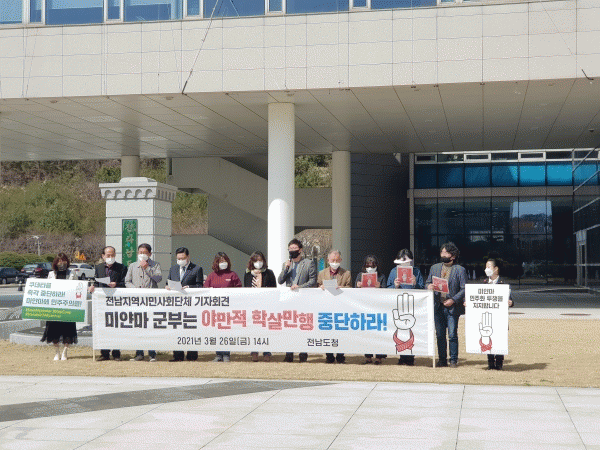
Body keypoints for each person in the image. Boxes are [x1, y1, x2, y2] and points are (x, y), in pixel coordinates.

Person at [426, 242, 467, 368]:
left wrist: (453, 300)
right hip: (438, 306)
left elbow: (464, 289)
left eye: (446, 253)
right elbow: (427, 282)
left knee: (452, 335)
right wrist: (429, 286)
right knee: (439, 335)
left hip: (452, 307)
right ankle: (442, 359)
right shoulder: (434, 268)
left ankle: (453, 360)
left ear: (453, 256)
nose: (442, 255)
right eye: (441, 252)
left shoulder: (460, 270)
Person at [278, 238, 317, 363]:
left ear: (300, 250)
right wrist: (286, 268)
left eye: (295, 249)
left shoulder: (309, 263)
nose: (292, 251)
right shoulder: (287, 264)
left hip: (303, 300)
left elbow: (313, 281)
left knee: (303, 327)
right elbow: (280, 280)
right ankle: (289, 354)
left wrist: (300, 287)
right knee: (289, 327)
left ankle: (303, 353)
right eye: (290, 249)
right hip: (289, 300)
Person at [89, 246, 128, 361]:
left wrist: (116, 284)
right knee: (103, 327)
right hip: (102, 302)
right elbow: (96, 282)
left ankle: (116, 353)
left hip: (116, 302)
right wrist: (92, 287)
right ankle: (104, 353)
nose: (110, 257)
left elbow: (125, 283)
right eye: (108, 255)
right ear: (103, 256)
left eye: (112, 255)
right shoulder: (99, 267)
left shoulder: (122, 267)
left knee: (116, 327)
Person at [387, 249, 425, 366]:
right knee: (400, 328)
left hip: (413, 304)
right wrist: (395, 286)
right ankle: (402, 356)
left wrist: (415, 284)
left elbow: (423, 289)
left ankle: (410, 357)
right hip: (398, 303)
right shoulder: (393, 271)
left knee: (412, 329)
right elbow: (387, 288)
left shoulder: (416, 272)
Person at [125, 243, 162, 362]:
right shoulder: (132, 266)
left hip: (151, 300)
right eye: (140, 252)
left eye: (145, 253)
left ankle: (152, 353)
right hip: (137, 301)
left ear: (150, 254)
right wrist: (135, 289)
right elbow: (127, 281)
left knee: (150, 326)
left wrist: (147, 268)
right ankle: (139, 353)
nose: (142, 254)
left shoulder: (155, 265)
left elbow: (158, 278)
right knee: (138, 326)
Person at [167, 247, 204, 362]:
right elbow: (168, 282)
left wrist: (189, 287)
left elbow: (200, 286)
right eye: (178, 258)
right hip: (176, 304)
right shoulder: (173, 269)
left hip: (191, 305)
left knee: (191, 329)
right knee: (176, 329)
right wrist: (167, 287)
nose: (180, 260)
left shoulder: (197, 269)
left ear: (188, 257)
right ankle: (178, 355)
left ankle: (192, 355)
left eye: (182, 258)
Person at [205, 252, 241, 362]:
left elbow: (239, 288)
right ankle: (218, 354)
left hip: (228, 309)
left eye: (225, 261)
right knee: (216, 332)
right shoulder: (212, 275)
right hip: (215, 309)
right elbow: (205, 289)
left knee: (226, 331)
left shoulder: (232, 274)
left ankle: (226, 354)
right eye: (221, 261)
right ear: (216, 263)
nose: (223, 263)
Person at [317, 249, 352, 364]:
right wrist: (321, 287)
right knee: (328, 331)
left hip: (341, 307)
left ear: (340, 260)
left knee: (341, 331)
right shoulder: (322, 273)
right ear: (328, 260)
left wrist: (341, 288)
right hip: (327, 307)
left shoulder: (346, 273)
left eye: (337, 260)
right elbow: (317, 287)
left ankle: (341, 356)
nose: (335, 262)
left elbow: (350, 288)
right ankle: (329, 356)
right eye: (332, 260)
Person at [41, 253, 78, 361]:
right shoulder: (51, 274)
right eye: (59, 261)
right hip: (54, 307)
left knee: (68, 330)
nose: (61, 263)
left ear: (67, 261)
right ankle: (57, 352)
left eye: (63, 260)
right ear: (55, 262)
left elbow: (78, 288)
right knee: (53, 330)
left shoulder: (72, 274)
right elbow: (47, 289)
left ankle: (64, 352)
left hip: (68, 307)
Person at [243, 251, 277, 362]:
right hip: (252, 306)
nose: (258, 262)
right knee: (253, 329)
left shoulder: (269, 273)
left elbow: (274, 288)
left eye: (260, 260)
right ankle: (254, 351)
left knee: (266, 328)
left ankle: (267, 352)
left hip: (266, 305)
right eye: (256, 260)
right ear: (252, 262)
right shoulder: (248, 273)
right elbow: (246, 288)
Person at [482, 258, 514, 370]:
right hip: (487, 317)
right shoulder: (484, 283)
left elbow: (510, 299)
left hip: (500, 318)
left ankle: (499, 363)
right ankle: (490, 362)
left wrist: (510, 302)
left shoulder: (503, 283)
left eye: (489, 267)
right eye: (486, 267)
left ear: (496, 269)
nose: (486, 269)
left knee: (500, 339)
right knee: (487, 338)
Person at [355, 254, 387, 365]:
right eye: (368, 265)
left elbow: (387, 291)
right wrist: (358, 285)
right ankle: (368, 356)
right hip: (364, 306)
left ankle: (379, 357)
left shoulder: (381, 276)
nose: (370, 267)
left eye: (373, 265)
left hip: (378, 307)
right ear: (364, 266)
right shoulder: (360, 275)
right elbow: (354, 290)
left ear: (377, 266)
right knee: (366, 332)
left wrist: (380, 287)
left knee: (378, 333)